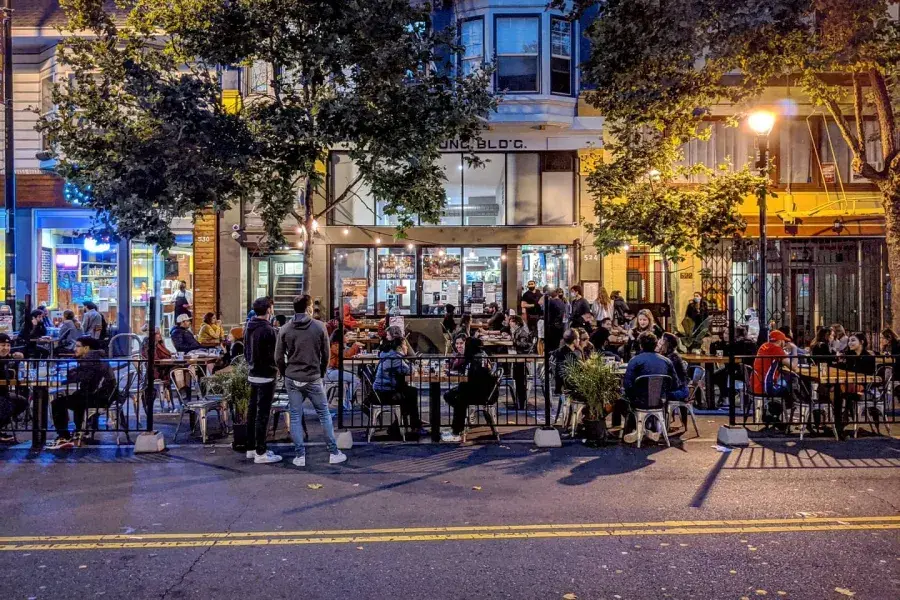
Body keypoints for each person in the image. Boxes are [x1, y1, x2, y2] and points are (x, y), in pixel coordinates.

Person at [276, 294, 347, 466]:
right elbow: (326, 354)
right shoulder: (319, 326)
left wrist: (285, 373)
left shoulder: (285, 329)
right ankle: (333, 452)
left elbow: (278, 357)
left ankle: (300, 456)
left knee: (295, 416)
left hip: (292, 377)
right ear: (308, 308)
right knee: (324, 414)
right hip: (313, 376)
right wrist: (321, 372)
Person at [46, 336, 117, 449]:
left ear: (86, 348)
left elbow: (81, 377)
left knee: (58, 403)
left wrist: (71, 372)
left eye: (78, 346)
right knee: (76, 396)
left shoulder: (91, 361)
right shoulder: (95, 358)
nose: (75, 349)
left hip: (98, 399)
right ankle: (81, 430)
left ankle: (64, 436)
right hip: (102, 396)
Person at [243, 297, 282, 464]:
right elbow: (276, 354)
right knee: (263, 414)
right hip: (266, 375)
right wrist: (278, 368)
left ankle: (251, 448)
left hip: (252, 373)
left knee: (252, 412)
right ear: (268, 310)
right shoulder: (268, 329)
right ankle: (261, 452)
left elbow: (246, 351)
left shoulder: (249, 326)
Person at [621, 332, 677, 443]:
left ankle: (635, 430)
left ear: (640, 345)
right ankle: (646, 429)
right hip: (660, 401)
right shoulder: (666, 361)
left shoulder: (635, 360)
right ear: (655, 344)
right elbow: (674, 384)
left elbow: (627, 385)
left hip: (639, 401)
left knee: (621, 401)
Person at [441, 337, 499, 442]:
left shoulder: (476, 359)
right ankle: (459, 425)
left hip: (482, 394)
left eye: (466, 345)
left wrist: (460, 386)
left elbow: (473, 380)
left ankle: (457, 432)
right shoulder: (480, 355)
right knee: (451, 395)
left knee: (459, 400)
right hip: (483, 391)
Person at [372, 329, 424, 436]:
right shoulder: (395, 358)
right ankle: (407, 427)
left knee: (411, 393)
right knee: (410, 397)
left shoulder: (389, 354)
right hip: (384, 393)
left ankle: (408, 426)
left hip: (383, 389)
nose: (406, 348)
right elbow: (409, 371)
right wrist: (410, 363)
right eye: (405, 345)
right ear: (400, 347)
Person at [835, 332, 877, 439]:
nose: (850, 343)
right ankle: (840, 421)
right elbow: (845, 370)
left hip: (864, 389)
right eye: (849, 340)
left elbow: (868, 377)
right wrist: (840, 361)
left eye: (853, 340)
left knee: (838, 391)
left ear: (861, 342)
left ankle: (840, 421)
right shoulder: (850, 356)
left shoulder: (868, 357)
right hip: (851, 386)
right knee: (835, 389)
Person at [710, 325, 758, 401]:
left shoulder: (736, 344)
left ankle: (724, 397)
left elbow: (721, 355)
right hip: (750, 371)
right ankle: (727, 396)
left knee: (717, 376)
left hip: (739, 371)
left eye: (728, 333)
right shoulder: (751, 343)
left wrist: (716, 344)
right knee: (721, 374)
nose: (725, 335)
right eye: (725, 333)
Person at [326, 328, 363, 411]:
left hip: (334, 371)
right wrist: (355, 346)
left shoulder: (337, 345)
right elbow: (345, 355)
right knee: (356, 379)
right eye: (346, 335)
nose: (348, 337)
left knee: (353, 379)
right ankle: (347, 401)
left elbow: (345, 355)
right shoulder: (335, 346)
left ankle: (347, 401)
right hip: (330, 372)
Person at [0, 333, 26, 443]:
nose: (6, 348)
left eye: (8, 345)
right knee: (6, 405)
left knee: (22, 402)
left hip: (4, 393)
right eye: (2, 345)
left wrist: (18, 359)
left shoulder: (8, 359)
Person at [509, 316, 532, 409]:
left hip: (521, 358)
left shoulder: (522, 332)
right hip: (518, 357)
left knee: (520, 381)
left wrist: (513, 341)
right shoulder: (517, 331)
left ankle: (521, 403)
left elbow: (523, 345)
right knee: (518, 379)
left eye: (511, 321)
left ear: (517, 323)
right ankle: (519, 401)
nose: (510, 323)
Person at [553, 329, 583, 395]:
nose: (579, 340)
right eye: (578, 338)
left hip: (560, 385)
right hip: (570, 387)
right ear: (574, 341)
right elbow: (582, 370)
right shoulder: (570, 355)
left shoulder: (559, 351)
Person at [544, 288, 566, 354]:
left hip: (552, 327)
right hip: (559, 326)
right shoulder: (562, 302)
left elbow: (548, 315)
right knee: (557, 345)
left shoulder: (551, 302)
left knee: (551, 347)